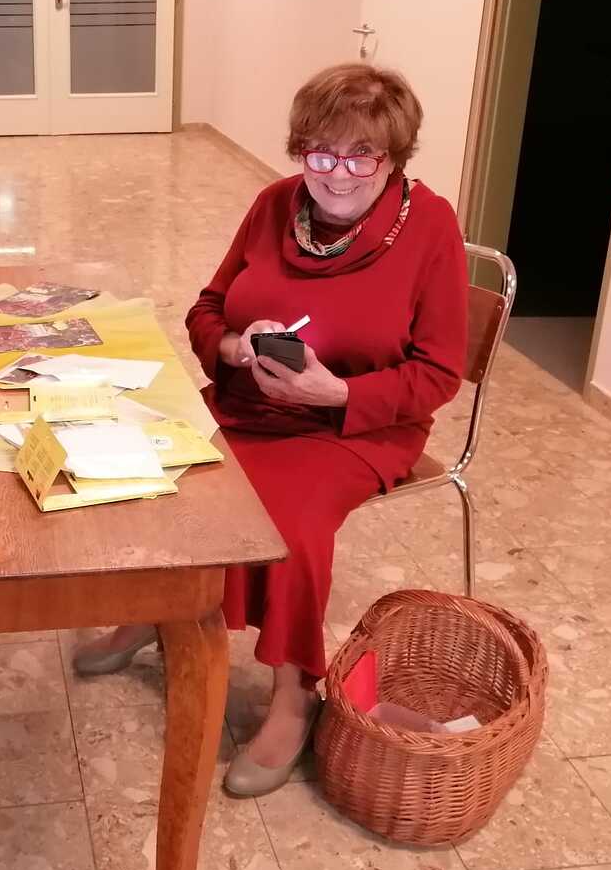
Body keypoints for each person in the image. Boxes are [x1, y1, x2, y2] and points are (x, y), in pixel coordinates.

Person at [73, 64, 469, 796]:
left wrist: (336, 391)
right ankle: (154, 613)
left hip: (355, 426)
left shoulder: (430, 226)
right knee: (149, 463)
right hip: (247, 401)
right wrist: (234, 346)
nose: (337, 174)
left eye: (361, 155)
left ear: (394, 157)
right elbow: (206, 308)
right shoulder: (274, 204)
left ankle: (293, 694)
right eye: (320, 151)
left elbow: (439, 372)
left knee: (285, 521)